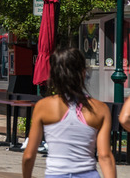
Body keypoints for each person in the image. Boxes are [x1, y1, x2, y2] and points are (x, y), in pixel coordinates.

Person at [22, 48, 115, 178]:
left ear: (54, 75)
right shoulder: (100, 109)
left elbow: (29, 155)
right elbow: (105, 156)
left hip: (56, 174)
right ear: (83, 73)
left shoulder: (43, 107)